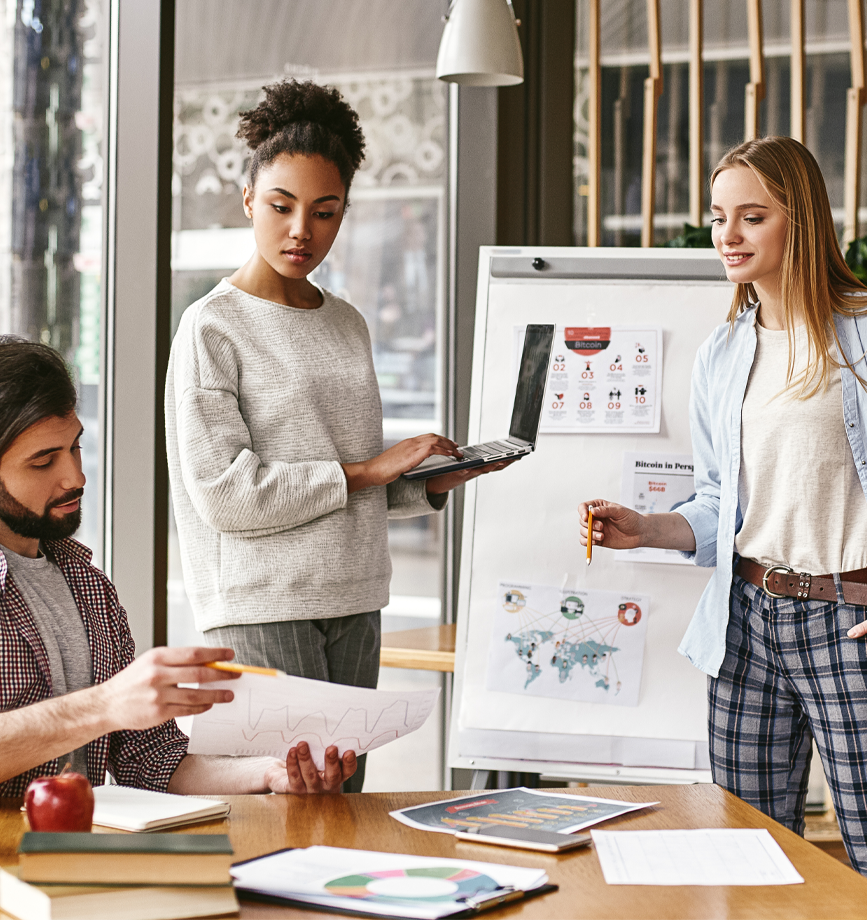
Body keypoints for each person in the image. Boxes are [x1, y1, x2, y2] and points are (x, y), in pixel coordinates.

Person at [165, 80, 510, 792]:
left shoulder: (346, 321)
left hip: (355, 594)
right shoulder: (212, 328)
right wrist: (367, 471)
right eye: (282, 207)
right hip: (263, 603)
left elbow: (352, 481)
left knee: (339, 810)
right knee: (283, 810)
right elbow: (225, 496)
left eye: (325, 213)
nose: (302, 232)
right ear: (248, 200)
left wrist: (424, 485)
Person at [577, 135, 867, 873]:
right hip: (746, 623)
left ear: (799, 221)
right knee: (751, 859)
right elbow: (717, 504)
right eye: (717, 217)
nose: (726, 236)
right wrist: (647, 528)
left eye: (751, 217)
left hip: (848, 621)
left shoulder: (862, 336)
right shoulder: (723, 353)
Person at [0, 336, 356, 797]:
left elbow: (149, 761)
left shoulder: (85, 581)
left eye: (74, 448)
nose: (76, 477)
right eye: (44, 462)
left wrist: (268, 774)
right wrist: (104, 706)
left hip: (74, 852)